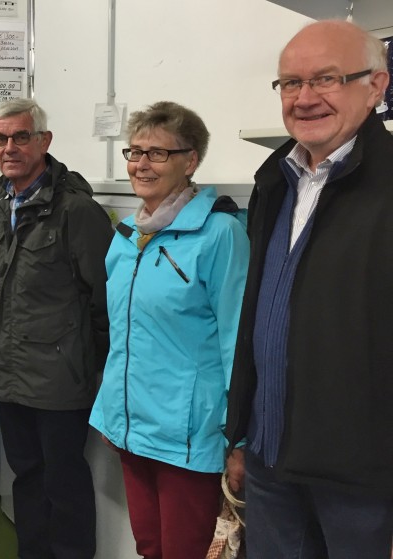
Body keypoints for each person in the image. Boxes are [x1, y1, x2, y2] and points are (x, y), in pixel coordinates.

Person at [225, 20, 393, 557]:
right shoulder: (273, 178)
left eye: (326, 79)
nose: (305, 98)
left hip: (361, 477)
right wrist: (242, 437)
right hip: (271, 460)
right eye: (290, 83)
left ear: (377, 85)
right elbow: (259, 316)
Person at [89, 101, 249, 559]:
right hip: (132, 428)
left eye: (158, 153)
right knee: (150, 547)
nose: (141, 164)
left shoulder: (220, 234)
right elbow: (122, 335)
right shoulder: (125, 236)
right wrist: (111, 410)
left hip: (190, 434)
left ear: (190, 160)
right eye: (135, 151)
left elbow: (237, 341)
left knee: (187, 551)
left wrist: (237, 439)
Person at [0, 98, 112, 559]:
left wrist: (86, 365)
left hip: (60, 378)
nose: (10, 147)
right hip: (12, 372)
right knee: (27, 479)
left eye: (21, 137)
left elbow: (105, 300)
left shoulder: (76, 211)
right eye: (1, 138)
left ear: (44, 141)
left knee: (64, 483)